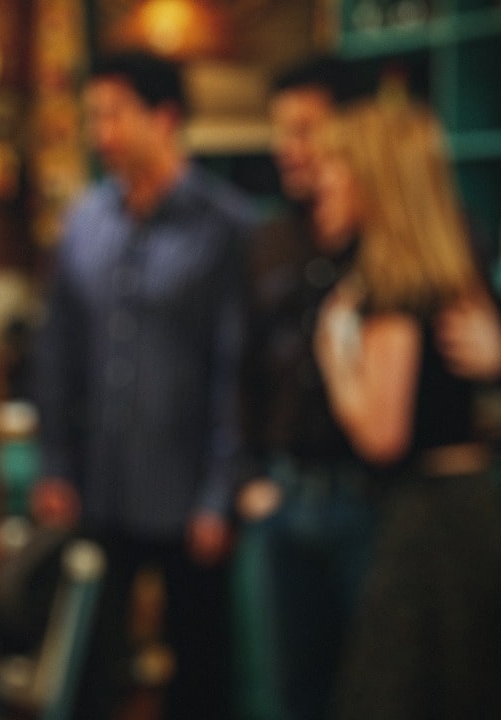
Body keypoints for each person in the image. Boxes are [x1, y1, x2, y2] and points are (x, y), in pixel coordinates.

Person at [30, 50, 256, 720]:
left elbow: (236, 370)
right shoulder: (84, 222)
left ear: (165, 118)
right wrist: (54, 464)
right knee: (88, 675)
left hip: (189, 496)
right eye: (93, 116)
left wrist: (220, 493)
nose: (100, 133)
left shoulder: (226, 226)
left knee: (200, 679)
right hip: (98, 488)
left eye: (114, 115)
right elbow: (57, 352)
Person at [312, 99, 501, 720]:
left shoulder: (393, 289)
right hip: (473, 501)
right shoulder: (453, 272)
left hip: (428, 517)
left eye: (336, 165)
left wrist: (336, 359)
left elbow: (382, 435)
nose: (323, 178)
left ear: (372, 177)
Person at [236, 55, 374, 720]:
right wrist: (246, 477)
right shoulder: (268, 239)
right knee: (286, 696)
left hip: (372, 501)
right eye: (280, 130)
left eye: (305, 130)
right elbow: (238, 370)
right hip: (283, 497)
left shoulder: (392, 238)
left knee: (375, 691)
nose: (287, 148)